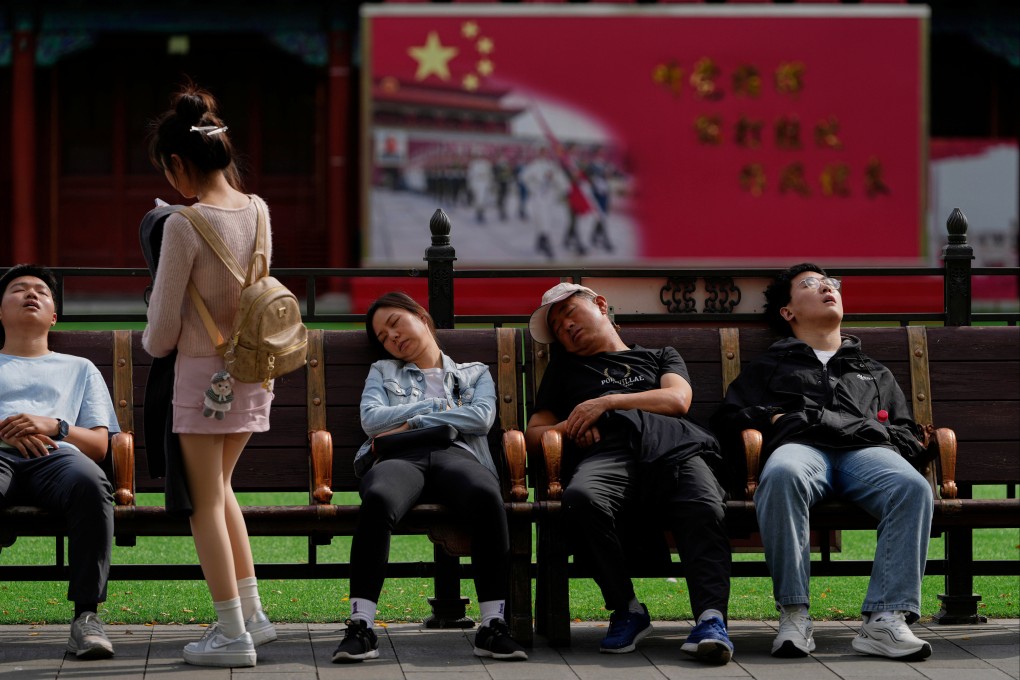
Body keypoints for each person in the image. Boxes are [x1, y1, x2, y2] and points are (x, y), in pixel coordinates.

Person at [711, 263, 934, 660]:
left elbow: (905, 433)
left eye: (831, 283)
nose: (827, 288)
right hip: (801, 450)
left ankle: (884, 620)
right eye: (811, 285)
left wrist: (873, 434)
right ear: (788, 312)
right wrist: (777, 418)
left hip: (865, 456)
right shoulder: (770, 365)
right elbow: (729, 419)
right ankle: (794, 614)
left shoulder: (871, 370)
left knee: (912, 486)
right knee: (780, 473)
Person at [525, 283, 734, 664]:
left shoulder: (659, 356)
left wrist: (605, 403)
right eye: (556, 327)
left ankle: (710, 619)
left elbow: (677, 400)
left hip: (675, 448)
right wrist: (571, 423)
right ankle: (627, 609)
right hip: (609, 455)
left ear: (601, 306)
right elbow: (535, 431)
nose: (565, 327)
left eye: (569, 313)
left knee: (703, 504)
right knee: (580, 499)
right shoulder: (565, 370)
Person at [143, 83, 276, 668]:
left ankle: (230, 632)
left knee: (203, 502)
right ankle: (252, 615)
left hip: (202, 373)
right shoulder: (260, 209)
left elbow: (160, 335)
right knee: (221, 492)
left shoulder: (182, 225)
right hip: (254, 367)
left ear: (177, 164)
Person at [333, 292, 528, 664]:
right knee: (378, 499)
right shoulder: (382, 371)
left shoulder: (474, 372)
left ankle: (492, 626)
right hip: (401, 455)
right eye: (383, 337)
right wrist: (437, 407)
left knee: (487, 497)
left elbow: (482, 418)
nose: (392, 338)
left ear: (420, 316)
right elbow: (371, 420)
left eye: (395, 324)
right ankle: (361, 626)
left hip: (457, 453)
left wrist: (413, 421)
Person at [0, 264, 119, 660]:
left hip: (58, 458)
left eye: (41, 291)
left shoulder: (80, 368)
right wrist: (9, 431)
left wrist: (55, 425)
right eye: (18, 289)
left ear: (54, 315)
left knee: (91, 483)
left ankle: (86, 617)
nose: (31, 293)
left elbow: (100, 446)